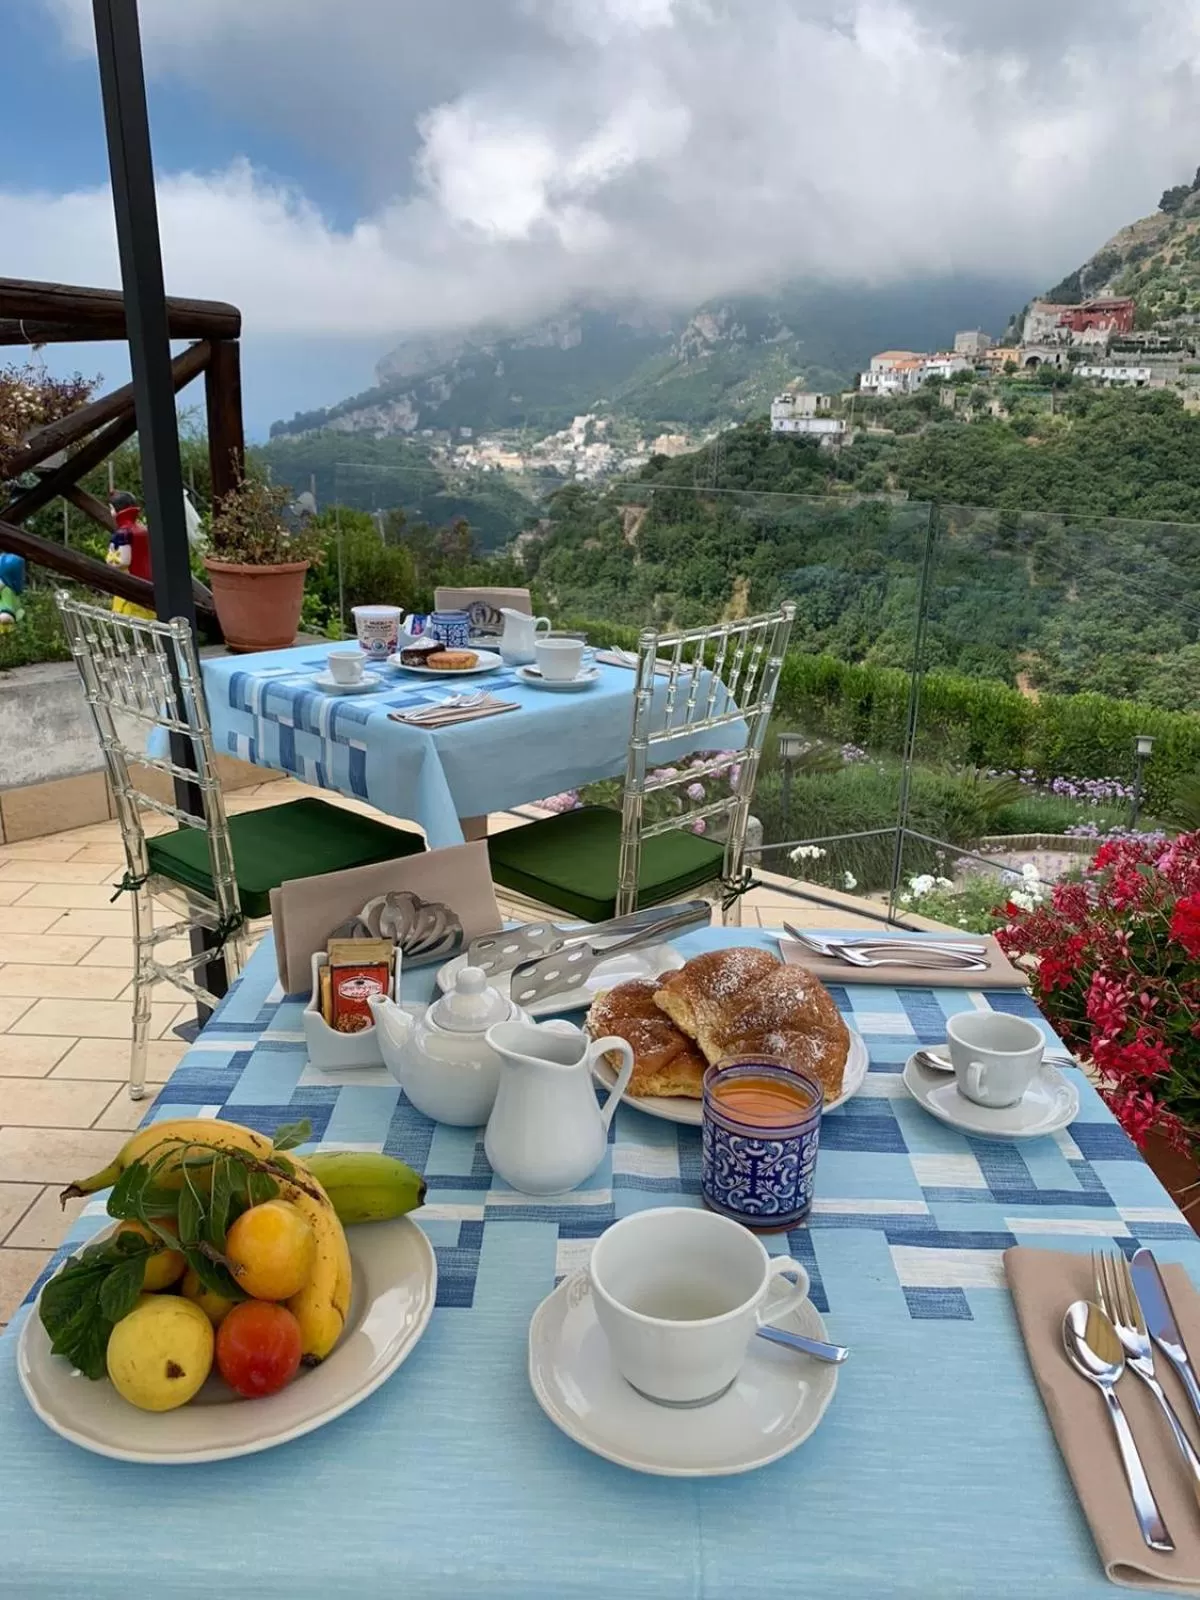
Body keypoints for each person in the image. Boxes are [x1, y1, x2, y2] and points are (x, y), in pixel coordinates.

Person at [107, 490, 155, 620]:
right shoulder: (143, 529)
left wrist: (110, 558)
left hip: (130, 580)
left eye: (111, 509)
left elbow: (123, 560)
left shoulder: (122, 533)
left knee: (129, 616)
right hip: (148, 579)